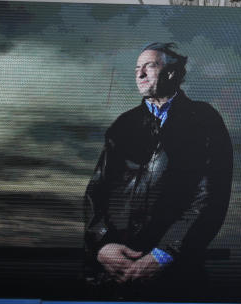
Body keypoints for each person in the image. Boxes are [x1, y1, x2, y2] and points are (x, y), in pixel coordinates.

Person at [84, 42, 233, 292]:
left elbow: (211, 197)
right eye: (136, 69)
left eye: (149, 66)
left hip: (176, 275)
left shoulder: (204, 120)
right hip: (113, 273)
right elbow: (96, 191)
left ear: (172, 73)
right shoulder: (124, 124)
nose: (139, 74)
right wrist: (102, 245)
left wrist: (164, 255)